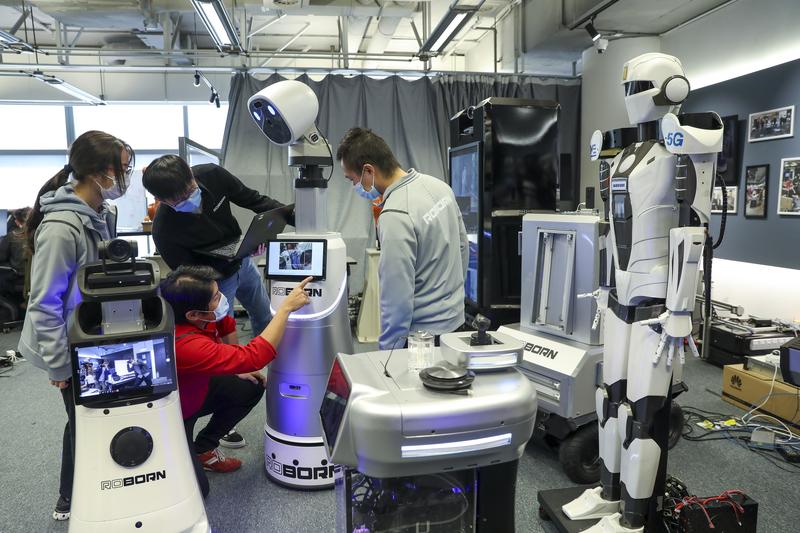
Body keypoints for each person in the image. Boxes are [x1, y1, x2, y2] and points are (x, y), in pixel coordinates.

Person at [17, 130, 134, 521]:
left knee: (98, 414)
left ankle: (99, 483)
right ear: (101, 172)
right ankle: (69, 496)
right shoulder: (62, 227)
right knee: (82, 420)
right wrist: (58, 365)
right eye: (123, 169)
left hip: (93, 332)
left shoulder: (101, 212)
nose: (126, 176)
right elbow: (44, 302)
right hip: (69, 342)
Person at [159, 265, 311, 497]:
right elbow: (255, 356)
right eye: (215, 298)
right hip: (176, 413)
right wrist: (285, 309)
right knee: (199, 491)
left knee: (249, 386)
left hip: (196, 387)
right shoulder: (184, 344)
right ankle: (176, 452)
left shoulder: (197, 315)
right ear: (193, 314)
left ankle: (204, 449)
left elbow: (227, 329)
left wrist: (234, 367)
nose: (221, 300)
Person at [336, 127, 468, 350]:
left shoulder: (395, 214)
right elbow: (462, 248)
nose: (354, 187)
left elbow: (396, 300)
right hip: (457, 325)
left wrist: (388, 354)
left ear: (368, 171)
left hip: (423, 339)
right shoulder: (440, 187)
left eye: (352, 179)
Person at [142, 155, 292, 337]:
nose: (190, 200)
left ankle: (270, 361)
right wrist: (225, 263)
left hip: (243, 264)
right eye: (179, 201)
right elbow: (189, 275)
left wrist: (295, 216)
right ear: (160, 199)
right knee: (224, 333)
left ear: (191, 173)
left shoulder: (213, 175)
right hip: (215, 282)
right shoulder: (164, 231)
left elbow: (254, 200)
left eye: (190, 190)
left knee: (264, 315)